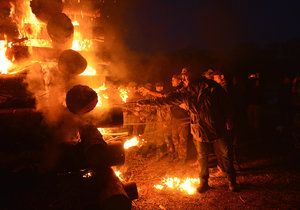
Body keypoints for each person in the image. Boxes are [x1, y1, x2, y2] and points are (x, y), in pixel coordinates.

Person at [139, 69, 238, 192]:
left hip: (217, 127)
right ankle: (204, 182)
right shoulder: (185, 92)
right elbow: (165, 100)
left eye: (186, 76)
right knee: (202, 157)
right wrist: (146, 102)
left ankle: (231, 181)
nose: (184, 79)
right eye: (183, 77)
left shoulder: (212, 87)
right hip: (199, 128)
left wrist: (229, 119)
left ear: (193, 75)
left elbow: (226, 104)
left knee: (225, 154)